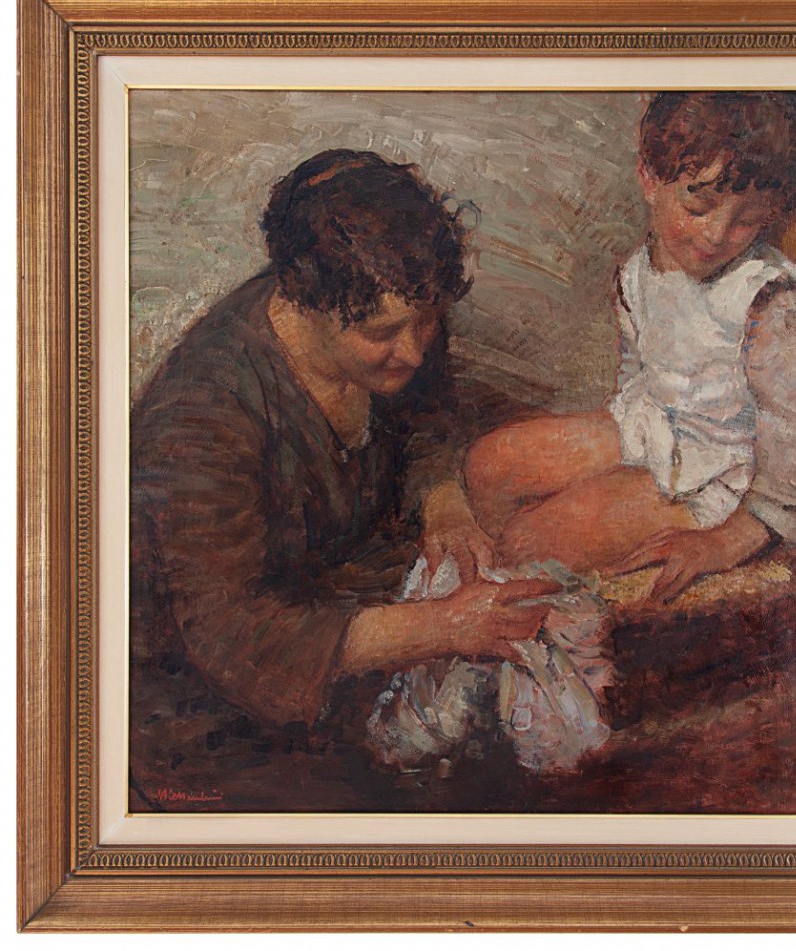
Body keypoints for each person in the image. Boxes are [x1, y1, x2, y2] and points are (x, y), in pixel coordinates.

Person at [128, 149, 554, 810]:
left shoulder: (396, 308)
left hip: (356, 608)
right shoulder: (202, 416)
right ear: (305, 301)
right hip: (218, 708)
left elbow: (431, 412)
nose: (414, 349)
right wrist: (442, 628)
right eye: (384, 332)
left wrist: (441, 498)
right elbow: (235, 637)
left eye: (428, 321)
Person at [465, 91, 796, 602]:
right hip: (655, 431)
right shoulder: (638, 271)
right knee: (487, 465)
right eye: (698, 206)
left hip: (726, 475)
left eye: (746, 219)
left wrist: (727, 540)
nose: (716, 234)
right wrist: (614, 455)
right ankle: (499, 595)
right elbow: (639, 376)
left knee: (530, 541)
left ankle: (543, 615)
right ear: (650, 180)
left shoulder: (769, 300)